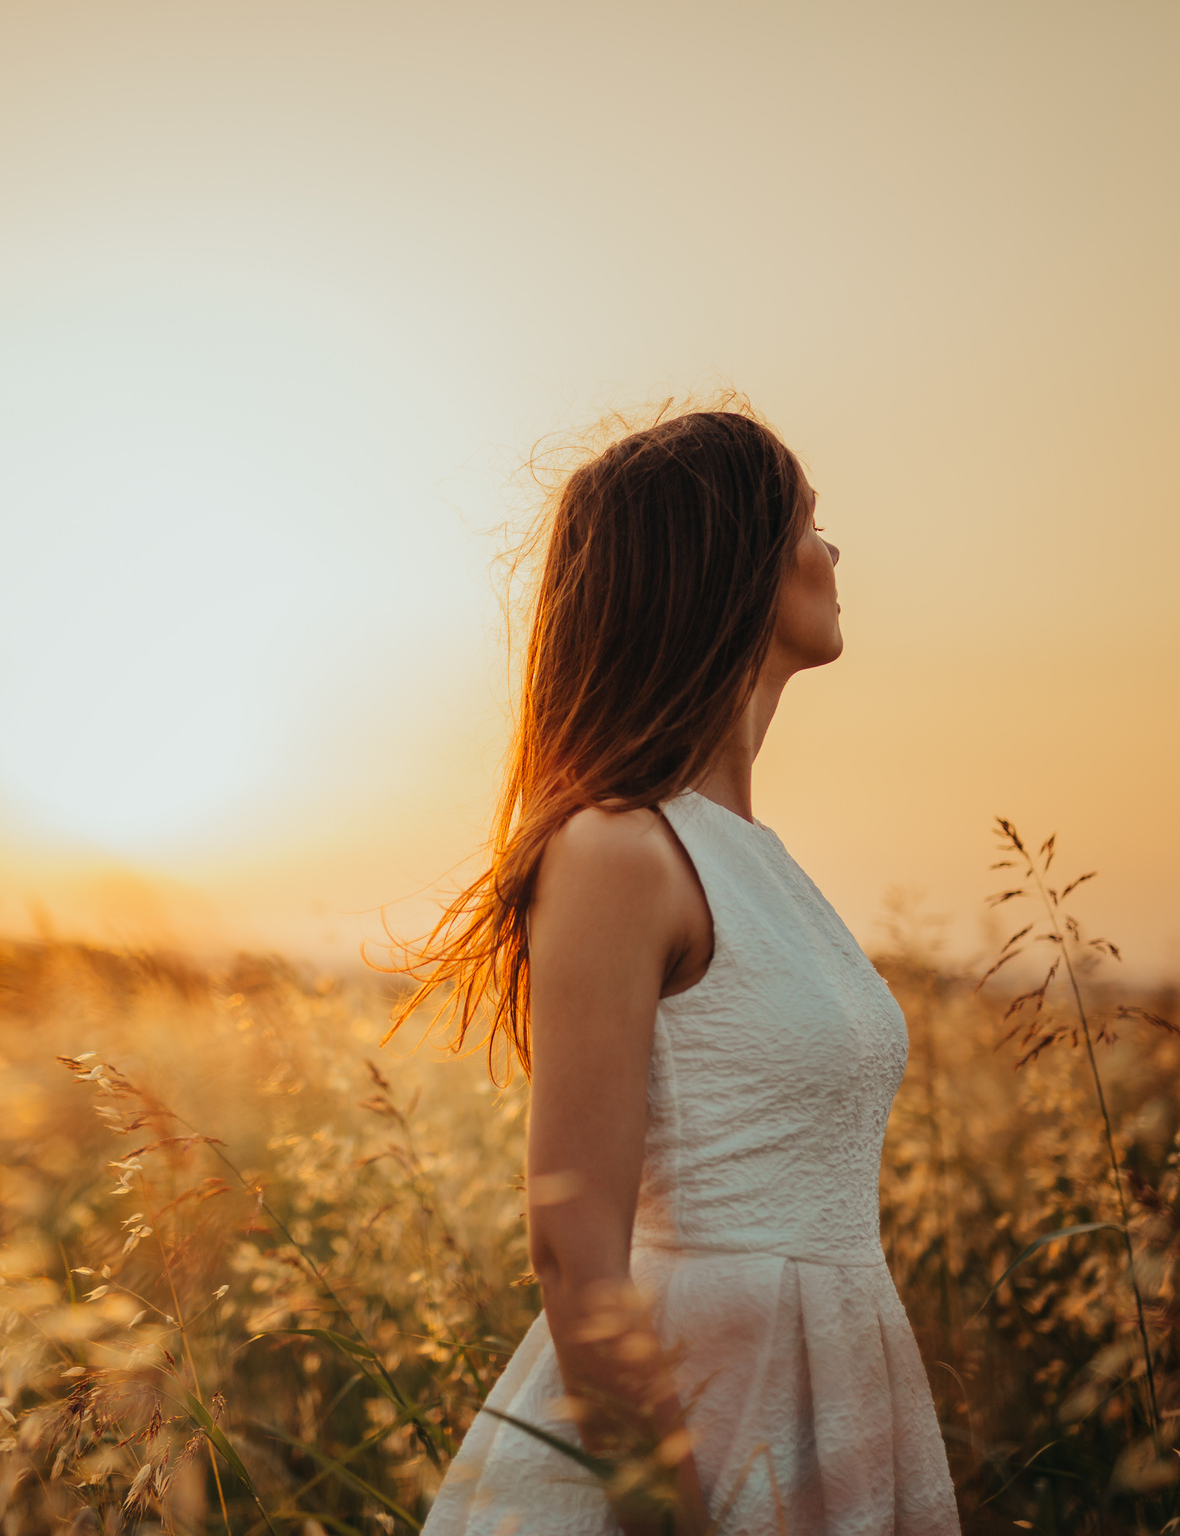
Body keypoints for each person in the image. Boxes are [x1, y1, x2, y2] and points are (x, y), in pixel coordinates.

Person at [400, 409, 959, 1534]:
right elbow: (573, 1249)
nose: (834, 552)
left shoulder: (763, 865)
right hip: (699, 1412)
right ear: (728, 566)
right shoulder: (619, 851)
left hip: (835, 1378)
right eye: (807, 521)